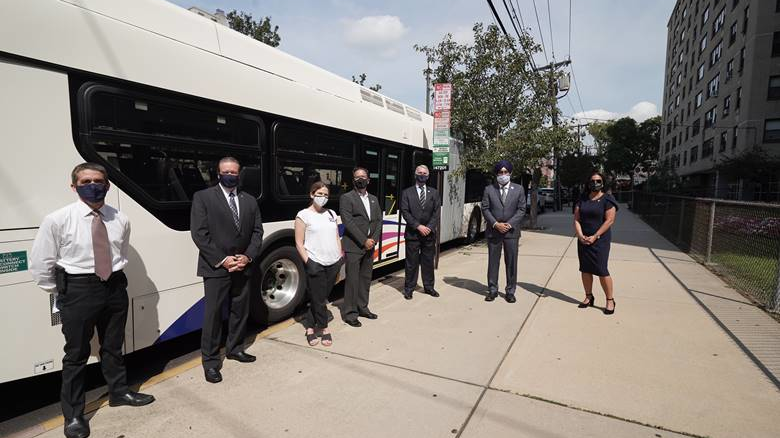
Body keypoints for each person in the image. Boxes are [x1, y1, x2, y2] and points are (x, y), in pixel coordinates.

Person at [29, 163, 155, 438]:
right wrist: (65, 291)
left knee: (112, 346)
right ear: (74, 186)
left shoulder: (119, 219)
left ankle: (119, 392)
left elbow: (120, 253)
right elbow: (41, 264)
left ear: (108, 185)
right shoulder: (57, 220)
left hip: (114, 287)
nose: (93, 185)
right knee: (76, 354)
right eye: (86, 180)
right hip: (78, 290)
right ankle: (74, 415)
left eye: (98, 180)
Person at [190, 157, 264, 384]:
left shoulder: (249, 200)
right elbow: (199, 234)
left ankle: (235, 348)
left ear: (239, 174)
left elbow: (257, 232)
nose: (230, 175)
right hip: (216, 267)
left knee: (239, 310)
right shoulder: (203, 197)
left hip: (243, 265)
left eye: (234, 171)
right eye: (226, 171)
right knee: (213, 316)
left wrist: (248, 256)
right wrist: (223, 260)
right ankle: (211, 362)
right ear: (218, 173)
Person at [295, 182, 343, 346]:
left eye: (326, 195)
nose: (323, 197)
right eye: (320, 194)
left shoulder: (331, 213)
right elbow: (299, 243)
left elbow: (336, 236)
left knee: (320, 297)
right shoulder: (303, 215)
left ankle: (309, 326)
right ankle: (323, 328)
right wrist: (309, 262)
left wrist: (340, 255)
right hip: (316, 262)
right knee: (320, 299)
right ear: (311, 194)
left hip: (333, 261)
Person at [339, 167, 382, 327]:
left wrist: (374, 240)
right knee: (352, 280)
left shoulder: (374, 199)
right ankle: (350, 314)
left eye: (363, 177)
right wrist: (364, 240)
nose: (360, 179)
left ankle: (363, 308)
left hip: (370, 246)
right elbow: (347, 222)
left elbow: (378, 220)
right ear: (353, 180)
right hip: (354, 246)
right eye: (357, 177)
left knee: (365, 279)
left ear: (368, 180)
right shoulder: (346, 197)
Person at [480, 160, 526, 303]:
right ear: (496, 174)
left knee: (511, 262)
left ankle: (510, 291)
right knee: (493, 262)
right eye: (500, 172)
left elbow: (521, 209)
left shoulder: (519, 189)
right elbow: (485, 208)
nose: (503, 175)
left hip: (511, 233)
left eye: (506, 172)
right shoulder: (489, 189)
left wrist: (509, 224)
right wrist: (495, 224)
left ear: (510, 173)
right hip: (494, 232)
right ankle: (492, 290)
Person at [575, 171, 618, 315]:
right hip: (583, 239)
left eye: (598, 181)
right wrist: (580, 235)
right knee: (585, 269)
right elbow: (576, 219)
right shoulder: (582, 199)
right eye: (592, 181)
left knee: (601, 270)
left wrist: (595, 236)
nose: (595, 183)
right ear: (588, 183)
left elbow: (609, 220)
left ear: (603, 182)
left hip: (600, 240)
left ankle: (610, 300)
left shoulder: (608, 199)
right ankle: (588, 297)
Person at [400, 165, 441, 300]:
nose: (422, 175)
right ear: (415, 174)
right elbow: (405, 212)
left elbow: (436, 213)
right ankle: (409, 288)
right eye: (419, 173)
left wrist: (428, 227)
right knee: (411, 263)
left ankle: (429, 287)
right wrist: (418, 226)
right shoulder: (407, 192)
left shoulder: (434, 193)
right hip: (413, 234)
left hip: (429, 235)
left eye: (424, 173)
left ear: (428, 176)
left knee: (428, 262)